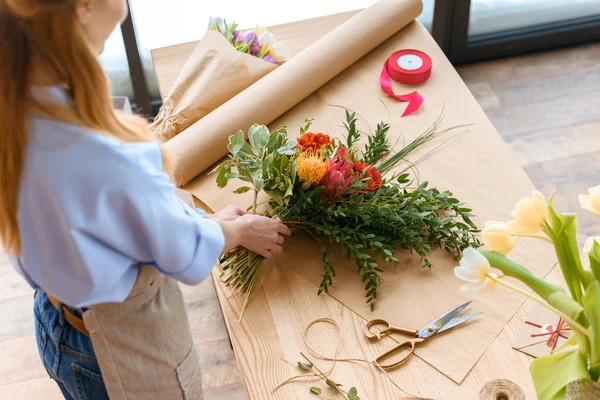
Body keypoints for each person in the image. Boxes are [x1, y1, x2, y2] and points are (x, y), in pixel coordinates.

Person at [0, 1, 292, 399]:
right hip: (114, 349)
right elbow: (181, 255)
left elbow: (101, 223)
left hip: (55, 321)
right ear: (84, 7)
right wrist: (236, 229)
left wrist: (199, 223)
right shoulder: (110, 159)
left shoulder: (15, 109)